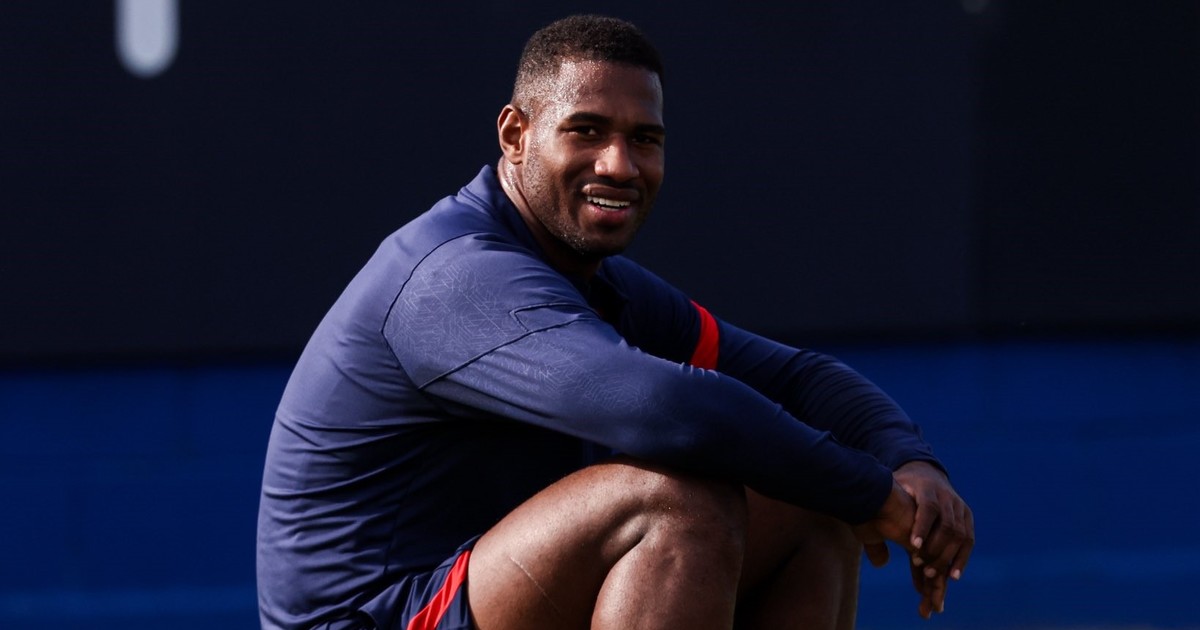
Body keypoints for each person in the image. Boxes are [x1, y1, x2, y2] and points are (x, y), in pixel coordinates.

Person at [256, 14, 974, 630]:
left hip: (475, 594)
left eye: (645, 139)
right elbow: (666, 410)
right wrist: (872, 495)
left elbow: (798, 378)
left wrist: (910, 466)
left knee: (805, 507)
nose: (620, 164)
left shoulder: (591, 280)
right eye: (587, 130)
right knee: (678, 503)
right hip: (375, 615)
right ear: (515, 134)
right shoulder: (456, 276)